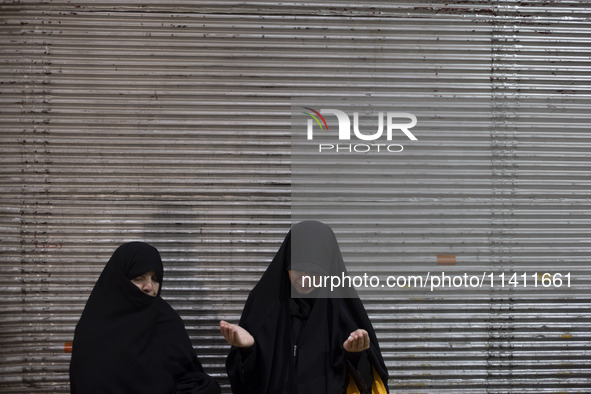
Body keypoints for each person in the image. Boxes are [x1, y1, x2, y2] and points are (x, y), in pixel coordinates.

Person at [220, 220, 389, 394]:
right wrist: (248, 349)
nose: (305, 278)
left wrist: (354, 354)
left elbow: (370, 380)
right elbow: (246, 382)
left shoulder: (342, 306)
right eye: (298, 269)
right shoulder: (264, 303)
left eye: (314, 271)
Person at [69, 241, 220, 394]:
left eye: (155, 279)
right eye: (139, 278)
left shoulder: (167, 321)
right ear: (120, 280)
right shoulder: (93, 330)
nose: (149, 286)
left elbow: (191, 376)